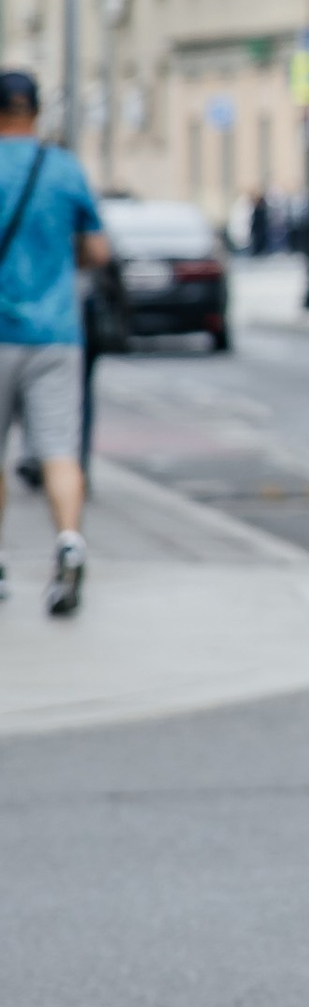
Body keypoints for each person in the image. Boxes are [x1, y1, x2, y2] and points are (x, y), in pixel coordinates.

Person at [0, 71, 110, 617]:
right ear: (36, 112)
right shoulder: (64, 169)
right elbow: (98, 249)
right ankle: (68, 540)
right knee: (60, 452)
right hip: (56, 334)